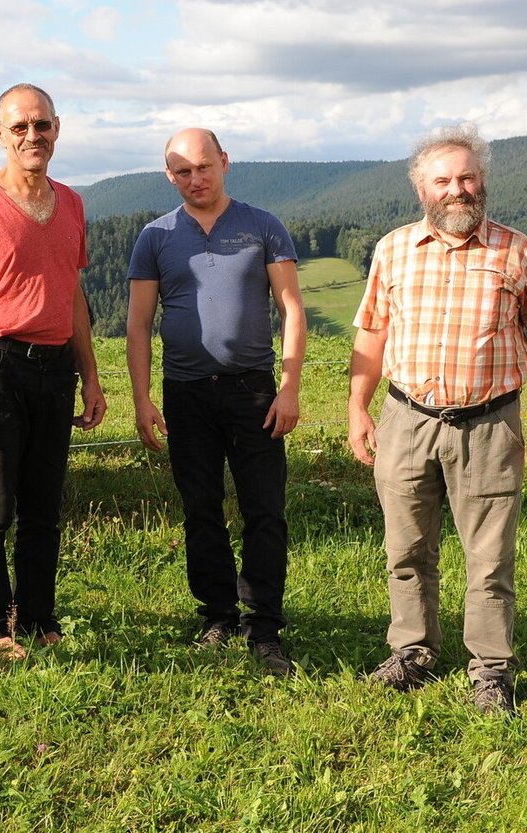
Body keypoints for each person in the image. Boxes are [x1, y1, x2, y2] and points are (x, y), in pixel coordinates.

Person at [346, 122, 527, 715]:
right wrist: (356, 408)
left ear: (483, 183)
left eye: (467, 177)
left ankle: (491, 670)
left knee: (490, 558)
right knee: (406, 548)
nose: (457, 189)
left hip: (492, 424)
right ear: (422, 189)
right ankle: (412, 653)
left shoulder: (519, 252)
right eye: (442, 180)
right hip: (405, 418)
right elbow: (371, 334)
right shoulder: (392, 250)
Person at [125, 128, 305, 676]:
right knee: (200, 510)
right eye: (183, 171)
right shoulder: (155, 237)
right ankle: (218, 616)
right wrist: (142, 400)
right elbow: (137, 326)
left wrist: (291, 385)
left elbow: (291, 309)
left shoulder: (262, 226)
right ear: (169, 176)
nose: (195, 179)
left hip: (253, 391)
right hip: (185, 394)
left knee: (264, 510)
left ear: (225, 163)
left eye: (204, 167)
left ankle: (265, 626)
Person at [0, 83, 106, 660]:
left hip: (56, 370)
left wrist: (90, 374)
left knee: (43, 505)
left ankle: (37, 617)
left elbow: (74, 295)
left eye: (41, 126)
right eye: (19, 128)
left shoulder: (73, 204)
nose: (32, 136)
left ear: (57, 129)